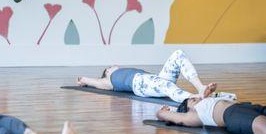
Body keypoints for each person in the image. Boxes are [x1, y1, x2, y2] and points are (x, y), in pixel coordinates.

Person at [77, 50, 223, 103]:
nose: (114, 66)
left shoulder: (125, 71)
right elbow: (96, 82)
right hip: (140, 85)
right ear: (107, 71)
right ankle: (196, 98)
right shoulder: (109, 80)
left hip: (155, 79)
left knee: (178, 54)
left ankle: (200, 87)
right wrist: (84, 80)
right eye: (110, 67)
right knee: (167, 87)